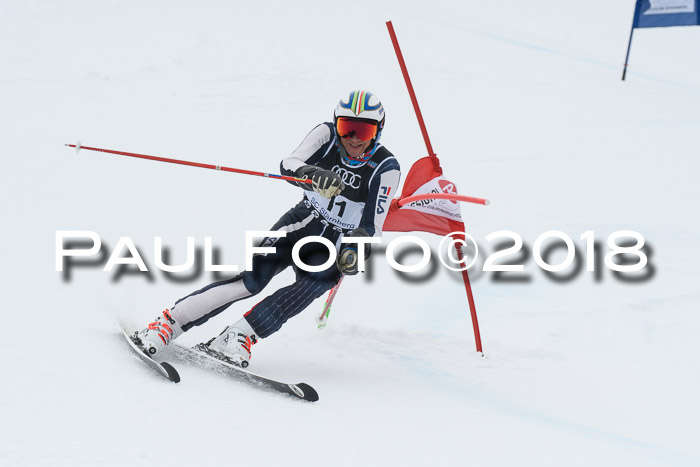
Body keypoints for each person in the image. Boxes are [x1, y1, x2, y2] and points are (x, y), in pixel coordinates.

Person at [132, 90, 401, 367]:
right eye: (347, 128)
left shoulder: (386, 167)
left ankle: (238, 336)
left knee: (311, 286)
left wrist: (357, 249)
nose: (353, 138)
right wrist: (312, 175)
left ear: (378, 131)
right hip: (302, 221)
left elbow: (372, 226)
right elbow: (289, 164)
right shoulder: (326, 135)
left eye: (364, 130)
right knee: (251, 281)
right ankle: (167, 324)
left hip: (334, 243)